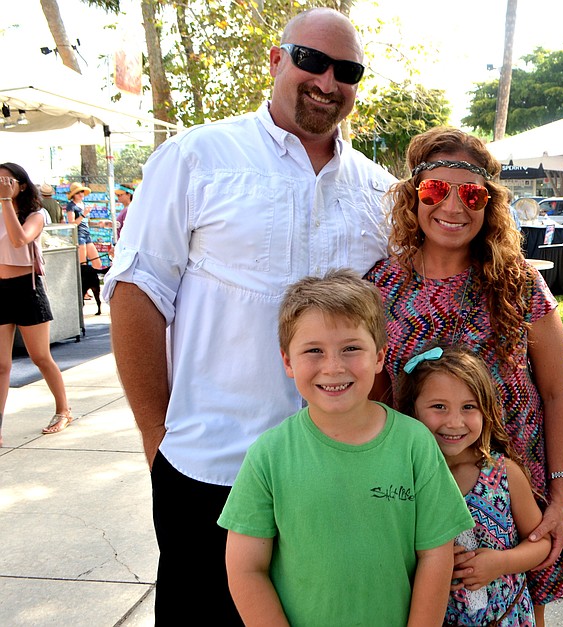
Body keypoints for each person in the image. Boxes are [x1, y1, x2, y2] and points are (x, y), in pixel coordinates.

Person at [103, 7, 396, 624]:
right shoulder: (198, 156)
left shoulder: (379, 192)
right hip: (213, 467)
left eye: (347, 71)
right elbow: (137, 292)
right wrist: (159, 440)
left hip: (340, 474)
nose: (327, 81)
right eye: (311, 60)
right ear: (276, 60)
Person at [365, 127, 563, 625]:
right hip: (423, 489)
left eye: (471, 195)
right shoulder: (381, 287)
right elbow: (376, 404)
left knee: (523, 603)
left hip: (519, 485)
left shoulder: (519, 282)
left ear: (489, 204)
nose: (453, 206)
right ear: (412, 197)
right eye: (435, 190)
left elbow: (557, 393)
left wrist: (560, 493)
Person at [218, 270, 473, 626]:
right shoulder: (269, 455)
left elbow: (436, 555)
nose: (333, 367)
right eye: (314, 351)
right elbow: (246, 569)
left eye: (351, 348)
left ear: (379, 356)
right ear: (288, 361)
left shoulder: (415, 445)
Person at [397, 344, 550, 626]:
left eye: (468, 407)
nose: (455, 422)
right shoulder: (404, 480)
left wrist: (500, 563)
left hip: (506, 618)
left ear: (486, 410)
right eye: (439, 407)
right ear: (412, 410)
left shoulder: (504, 475)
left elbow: (541, 542)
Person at [0, 163, 73, 447]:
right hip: (1, 289)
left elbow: (19, 240)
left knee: (40, 356)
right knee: (1, 365)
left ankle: (64, 410)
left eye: (7, 180)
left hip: (26, 289)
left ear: (21, 185)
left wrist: (6, 200)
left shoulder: (36, 214)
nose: (2, 184)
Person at [65, 181, 102, 270]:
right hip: (78, 235)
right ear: (73, 195)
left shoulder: (84, 205)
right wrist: (83, 214)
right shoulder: (71, 206)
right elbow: (72, 224)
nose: (80, 194)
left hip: (87, 235)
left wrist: (98, 224)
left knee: (97, 263)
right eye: (77, 192)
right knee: (83, 264)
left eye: (81, 191)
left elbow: (86, 222)